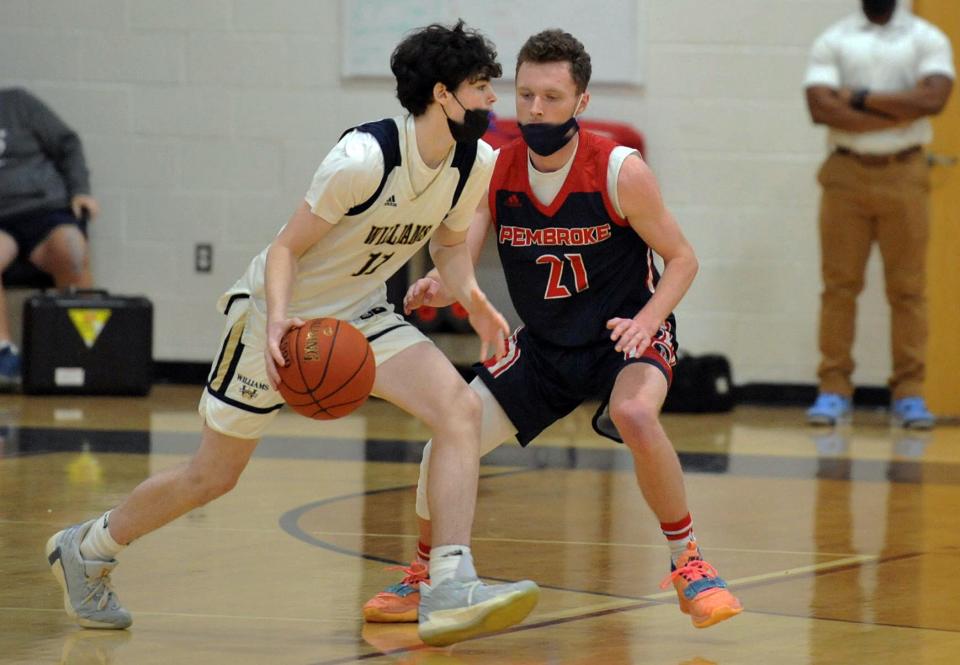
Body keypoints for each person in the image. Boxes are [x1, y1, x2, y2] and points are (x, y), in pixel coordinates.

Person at [44, 21, 539, 647]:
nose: (493, 101)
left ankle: (447, 582)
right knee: (212, 477)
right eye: (481, 88)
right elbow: (285, 250)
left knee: (459, 410)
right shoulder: (362, 159)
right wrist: (276, 320)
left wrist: (475, 302)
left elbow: (447, 245)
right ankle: (88, 547)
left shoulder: (476, 161)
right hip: (281, 319)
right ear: (442, 95)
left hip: (360, 313)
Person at [362, 29, 742, 630]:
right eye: (526, 96)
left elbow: (684, 258)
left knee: (636, 415)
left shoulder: (619, 170)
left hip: (624, 336)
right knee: (447, 438)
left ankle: (690, 562)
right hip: (544, 344)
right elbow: (467, 236)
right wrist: (442, 279)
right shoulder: (495, 165)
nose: (536, 110)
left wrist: (647, 323)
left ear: (581, 103)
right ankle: (424, 573)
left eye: (553, 98)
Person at [803, 0, 954, 428]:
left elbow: (935, 97)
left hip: (904, 173)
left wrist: (858, 98)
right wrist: (898, 114)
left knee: (908, 289)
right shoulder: (835, 39)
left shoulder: (927, 38)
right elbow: (820, 107)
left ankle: (909, 394)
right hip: (845, 174)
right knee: (839, 286)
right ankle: (833, 389)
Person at [0, 88, 97, 382]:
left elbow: (68, 144)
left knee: (73, 250)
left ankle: (85, 351)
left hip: (46, 212)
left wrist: (80, 190)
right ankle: (4, 354)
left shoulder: (18, 103)